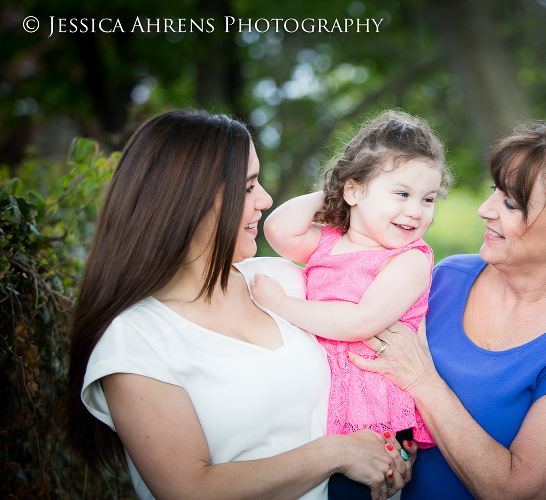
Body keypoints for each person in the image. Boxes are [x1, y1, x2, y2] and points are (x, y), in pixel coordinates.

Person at [63, 109, 413, 500]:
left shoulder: (283, 279)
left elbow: (369, 365)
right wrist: (335, 453)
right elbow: (188, 490)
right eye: (248, 187)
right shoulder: (135, 339)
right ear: (187, 201)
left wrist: (390, 444)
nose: (265, 199)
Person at [350, 121, 546, 499]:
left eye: (511, 203)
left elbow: (517, 492)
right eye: (495, 189)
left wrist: (422, 382)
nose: (485, 210)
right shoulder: (447, 277)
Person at [250, 110, 452, 499]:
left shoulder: (410, 259)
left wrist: (280, 305)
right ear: (354, 190)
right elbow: (277, 229)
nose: (416, 210)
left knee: (359, 488)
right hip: (324, 395)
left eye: (428, 199)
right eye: (402, 193)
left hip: (378, 409)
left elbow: (360, 320)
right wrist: (333, 194)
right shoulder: (328, 241)